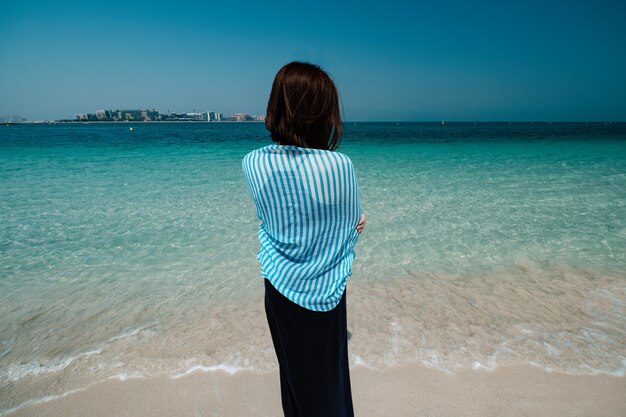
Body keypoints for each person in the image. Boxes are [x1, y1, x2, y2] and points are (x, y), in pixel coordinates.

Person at [241, 61, 366, 417]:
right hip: (325, 294)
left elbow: (273, 219)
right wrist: (357, 223)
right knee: (328, 389)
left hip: (278, 287)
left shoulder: (253, 163)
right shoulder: (340, 167)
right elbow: (347, 229)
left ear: (277, 107)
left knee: (295, 383)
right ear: (323, 115)